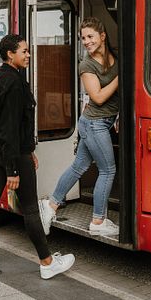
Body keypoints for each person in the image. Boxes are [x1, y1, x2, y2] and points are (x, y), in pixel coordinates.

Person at [0, 34, 74, 290]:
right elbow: (10, 128)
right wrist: (13, 167)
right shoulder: (14, 83)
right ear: (10, 54)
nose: (28, 54)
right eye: (23, 51)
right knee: (31, 209)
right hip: (12, 156)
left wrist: (27, 149)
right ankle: (46, 263)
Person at [39, 18, 120, 237]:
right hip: (95, 124)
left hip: (100, 121)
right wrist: (121, 78)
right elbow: (98, 97)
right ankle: (98, 221)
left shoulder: (113, 55)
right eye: (83, 38)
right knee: (108, 170)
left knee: (78, 167)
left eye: (90, 36)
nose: (86, 41)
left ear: (102, 36)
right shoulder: (86, 65)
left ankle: (50, 206)